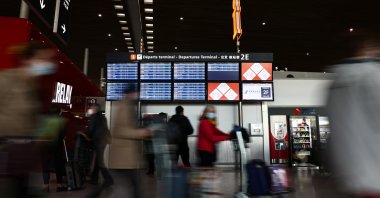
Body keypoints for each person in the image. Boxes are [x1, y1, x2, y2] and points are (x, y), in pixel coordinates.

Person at [327, 30, 380, 197]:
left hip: (349, 175)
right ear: (363, 49)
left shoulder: (335, 83)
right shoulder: (372, 75)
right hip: (375, 172)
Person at [0, 41, 57, 197]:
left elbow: (33, 124)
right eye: (44, 59)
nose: (49, 64)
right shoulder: (5, 80)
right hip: (5, 157)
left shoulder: (36, 87)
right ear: (28, 60)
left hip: (24, 159)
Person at [108, 85, 152, 198]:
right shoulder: (124, 106)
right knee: (133, 188)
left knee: (131, 187)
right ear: (130, 93)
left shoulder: (127, 105)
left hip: (126, 159)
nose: (137, 95)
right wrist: (142, 133)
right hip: (124, 159)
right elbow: (120, 130)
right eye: (136, 93)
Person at [38, 106, 66, 192]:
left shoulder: (44, 119)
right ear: (59, 111)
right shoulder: (60, 119)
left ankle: (45, 186)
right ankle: (59, 185)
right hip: (57, 145)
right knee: (58, 164)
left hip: (45, 145)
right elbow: (62, 135)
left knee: (45, 164)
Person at [87, 103, 114, 187]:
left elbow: (91, 130)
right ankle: (94, 178)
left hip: (98, 140)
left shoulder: (93, 117)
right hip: (104, 140)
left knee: (99, 160)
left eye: (91, 107)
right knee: (98, 159)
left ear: (95, 108)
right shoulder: (103, 117)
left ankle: (108, 179)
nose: (90, 109)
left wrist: (87, 136)